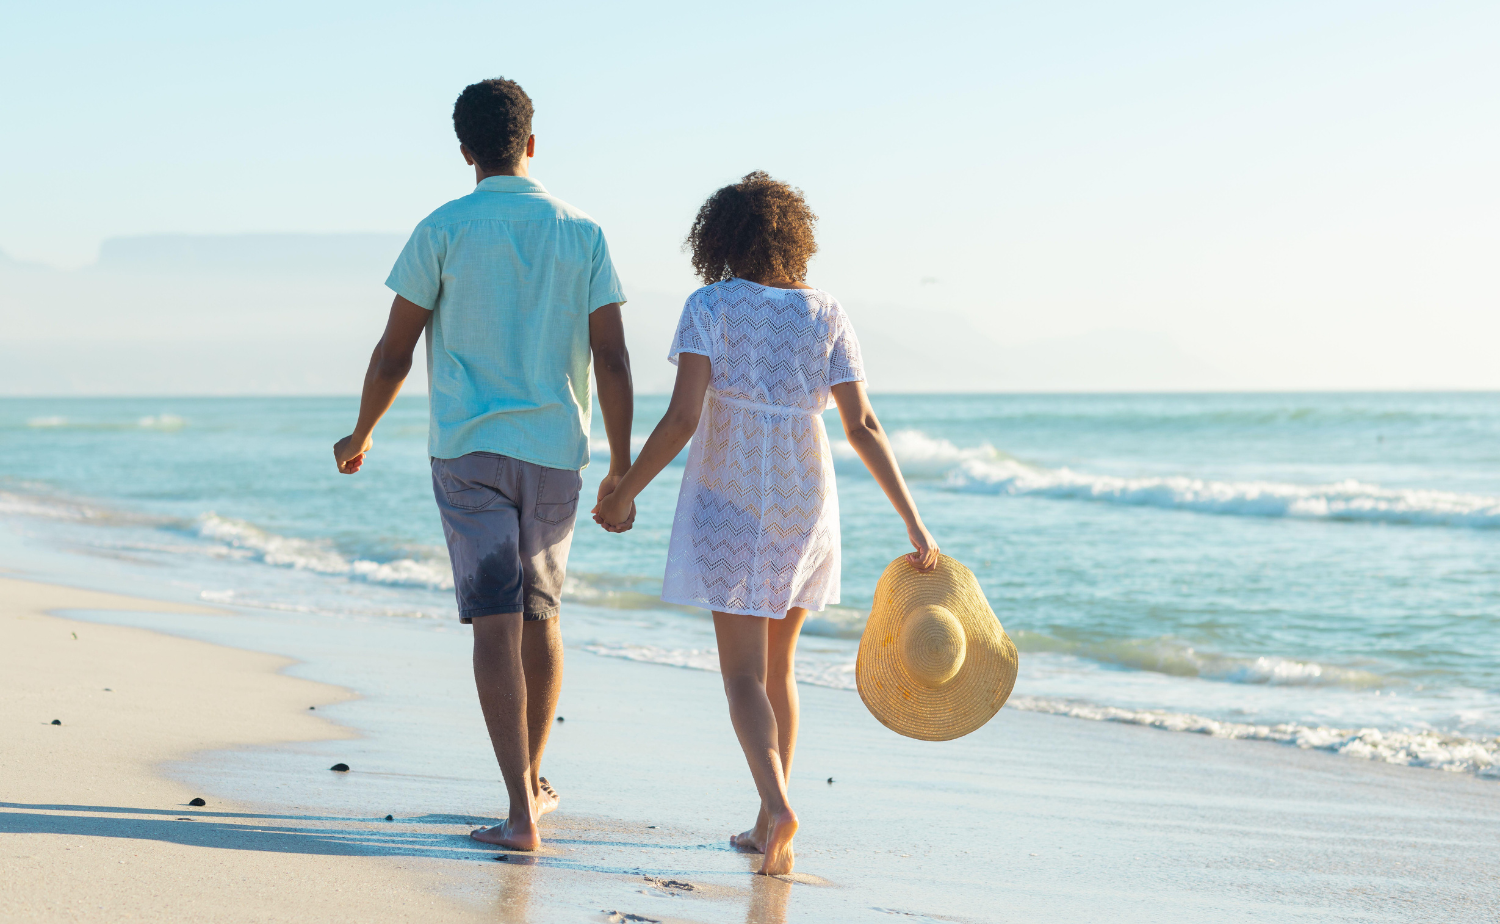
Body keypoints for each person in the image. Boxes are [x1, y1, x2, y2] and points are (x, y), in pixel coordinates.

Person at [592, 171, 938, 876]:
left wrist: (626, 488)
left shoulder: (710, 305)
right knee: (780, 668)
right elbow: (863, 423)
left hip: (732, 493)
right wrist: (915, 522)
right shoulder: (825, 312)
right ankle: (764, 819)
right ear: (794, 237)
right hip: (804, 499)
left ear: (719, 237)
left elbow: (686, 416)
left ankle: (775, 805)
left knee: (741, 673)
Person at [332, 77, 634, 851]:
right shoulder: (582, 232)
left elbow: (394, 351)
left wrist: (361, 431)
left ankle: (520, 813)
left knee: (494, 624)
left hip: (468, 453)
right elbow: (611, 356)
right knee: (542, 615)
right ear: (531, 143)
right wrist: (622, 469)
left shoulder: (442, 228)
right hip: (556, 454)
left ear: (464, 150)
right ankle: (530, 784)